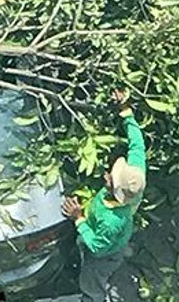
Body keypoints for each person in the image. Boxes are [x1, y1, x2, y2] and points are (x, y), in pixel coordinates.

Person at [61, 89, 147, 302]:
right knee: (110, 243)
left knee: (91, 280)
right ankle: (122, 249)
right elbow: (137, 144)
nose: (108, 174)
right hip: (112, 239)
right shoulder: (136, 174)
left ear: (115, 191)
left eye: (111, 178)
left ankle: (93, 298)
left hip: (103, 255)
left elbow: (98, 248)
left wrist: (79, 218)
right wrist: (125, 110)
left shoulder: (112, 221)